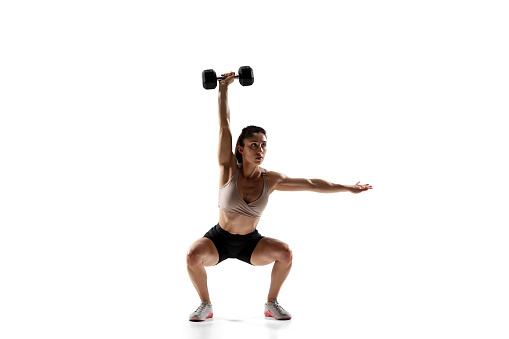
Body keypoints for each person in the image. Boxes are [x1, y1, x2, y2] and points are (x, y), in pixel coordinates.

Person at [186, 71, 373, 322]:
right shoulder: (228, 168)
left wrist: (348, 188)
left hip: (250, 243)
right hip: (219, 240)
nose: (260, 150)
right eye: (253, 145)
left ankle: (271, 303)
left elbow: (311, 184)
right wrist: (223, 89)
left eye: (263, 144)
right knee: (193, 255)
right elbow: (224, 125)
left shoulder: (270, 179)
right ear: (240, 149)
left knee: (284, 252)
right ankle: (205, 304)